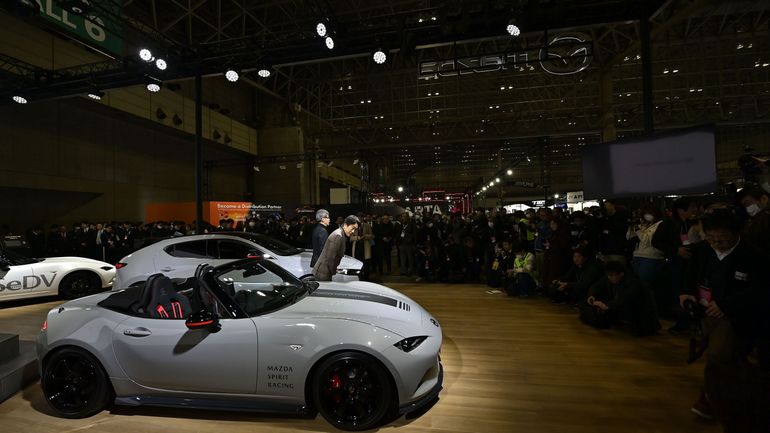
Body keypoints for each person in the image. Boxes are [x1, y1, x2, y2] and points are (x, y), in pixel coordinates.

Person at [680, 209, 770, 428]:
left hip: (733, 316)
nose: (716, 242)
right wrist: (685, 292)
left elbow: (759, 290)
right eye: (711, 237)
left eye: (722, 238)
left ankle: (711, 398)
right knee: (724, 359)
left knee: (719, 357)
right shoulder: (703, 250)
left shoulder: (753, 256)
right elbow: (691, 274)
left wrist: (726, 305)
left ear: (736, 233)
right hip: (703, 311)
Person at [582, 261, 660, 336]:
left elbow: (624, 299)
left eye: (612, 275)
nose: (609, 278)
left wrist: (606, 305)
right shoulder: (611, 276)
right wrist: (591, 295)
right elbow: (596, 286)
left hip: (642, 317)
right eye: (608, 275)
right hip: (623, 308)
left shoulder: (633, 281)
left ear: (621, 274)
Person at [313, 215, 360, 281]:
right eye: (352, 228)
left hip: (325, 271)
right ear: (345, 225)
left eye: (355, 229)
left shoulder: (341, 234)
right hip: (323, 272)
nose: (353, 231)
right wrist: (334, 272)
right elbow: (330, 258)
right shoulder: (338, 236)